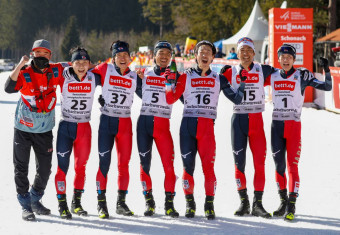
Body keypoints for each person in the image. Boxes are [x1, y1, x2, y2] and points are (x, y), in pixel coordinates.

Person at [165, 40, 245, 220]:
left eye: (208, 52)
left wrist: (242, 84)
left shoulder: (219, 78)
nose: (204, 54)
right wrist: (170, 83)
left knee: (208, 169)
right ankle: (190, 203)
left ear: (213, 57)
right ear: (195, 56)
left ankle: (209, 205)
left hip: (207, 128)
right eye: (201, 51)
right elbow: (170, 99)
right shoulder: (185, 76)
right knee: (188, 168)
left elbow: (237, 99)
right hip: (188, 127)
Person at [270, 44, 332, 221]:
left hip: (293, 126)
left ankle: (291, 204)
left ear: (294, 59)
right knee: (279, 166)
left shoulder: (301, 76)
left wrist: (326, 69)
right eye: (283, 56)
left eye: (290, 56)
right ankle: (283, 202)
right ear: (279, 58)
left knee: (292, 166)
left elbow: (327, 87)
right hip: (276, 126)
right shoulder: (272, 74)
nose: (286, 59)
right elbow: (252, 75)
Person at [4, 39, 64, 221]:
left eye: (45, 53)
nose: (41, 56)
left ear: (50, 56)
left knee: (45, 169)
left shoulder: (57, 70)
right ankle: (25, 204)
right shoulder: (24, 72)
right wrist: (21, 64)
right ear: (32, 54)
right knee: (21, 167)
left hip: (44, 129)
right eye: (37, 53)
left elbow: (80, 66)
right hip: (23, 129)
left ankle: (35, 199)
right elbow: (8, 88)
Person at [221, 37, 276, 218]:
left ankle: (257, 204)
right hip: (238, 121)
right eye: (241, 50)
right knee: (240, 164)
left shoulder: (263, 70)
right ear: (237, 52)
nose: (245, 54)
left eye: (248, 50)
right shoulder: (230, 71)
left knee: (260, 164)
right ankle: (243, 202)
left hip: (256, 122)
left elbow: (286, 72)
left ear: (254, 53)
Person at [92, 40, 141, 219]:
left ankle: (121, 203)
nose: (122, 58)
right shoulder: (105, 69)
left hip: (125, 124)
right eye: (118, 55)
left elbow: (149, 94)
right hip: (106, 122)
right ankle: (101, 204)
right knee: (104, 164)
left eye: (125, 55)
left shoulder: (135, 76)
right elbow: (83, 73)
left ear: (130, 58)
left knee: (124, 165)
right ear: (113, 58)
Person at [54, 47, 101, 219]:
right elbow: (52, 66)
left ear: (89, 64)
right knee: (62, 168)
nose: (81, 66)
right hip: (66, 127)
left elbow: (112, 70)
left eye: (84, 62)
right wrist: (66, 65)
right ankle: (62, 204)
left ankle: (76, 202)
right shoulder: (63, 76)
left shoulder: (94, 77)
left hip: (84, 129)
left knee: (80, 168)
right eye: (77, 63)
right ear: (71, 64)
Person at [136, 41, 179, 218]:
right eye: (160, 53)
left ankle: (169, 203)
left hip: (162, 126)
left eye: (167, 54)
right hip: (144, 124)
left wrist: (171, 83)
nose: (163, 56)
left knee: (169, 166)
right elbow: (137, 91)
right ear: (154, 55)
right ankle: (149, 201)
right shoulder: (144, 72)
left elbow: (178, 97)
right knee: (144, 165)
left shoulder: (175, 75)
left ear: (170, 57)